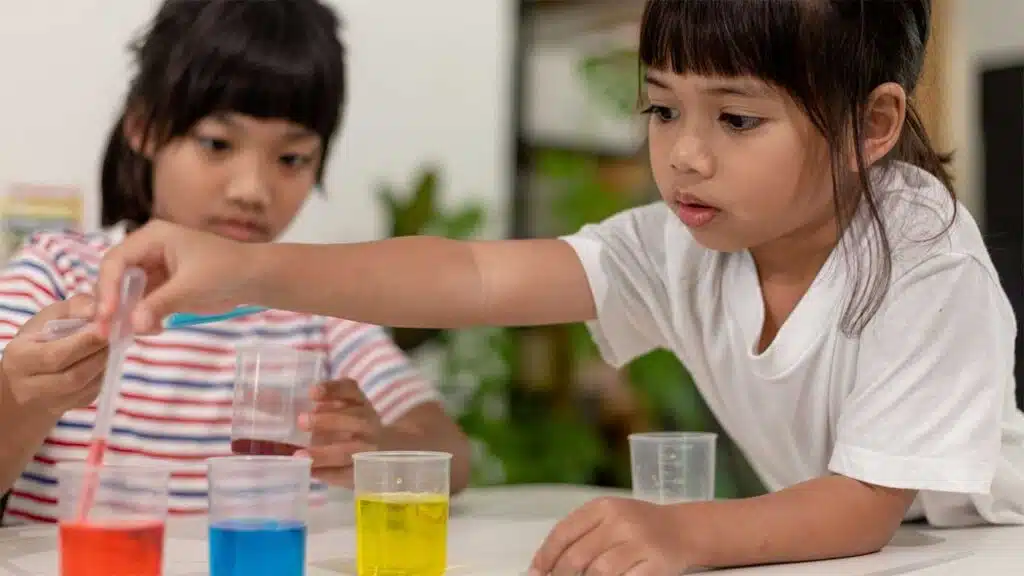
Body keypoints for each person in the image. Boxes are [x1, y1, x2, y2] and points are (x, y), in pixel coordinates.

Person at [95, 0, 1022, 573]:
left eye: (737, 119)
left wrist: (682, 532)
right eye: (661, 108)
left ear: (872, 126)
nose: (684, 153)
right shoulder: (684, 243)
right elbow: (473, 273)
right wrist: (249, 270)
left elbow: (862, 506)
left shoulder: (922, 256)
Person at [0, 0, 470, 525]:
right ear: (145, 128)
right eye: (217, 144)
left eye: (291, 159)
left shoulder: (311, 305)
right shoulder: (55, 275)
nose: (252, 190)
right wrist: (24, 399)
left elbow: (450, 453)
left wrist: (377, 446)